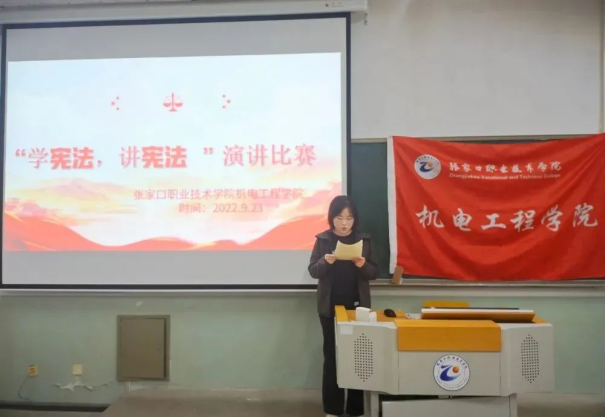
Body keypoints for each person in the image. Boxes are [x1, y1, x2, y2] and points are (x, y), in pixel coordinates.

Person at [308, 195, 378, 417]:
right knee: (332, 357)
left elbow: (374, 272)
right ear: (332, 218)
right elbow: (313, 271)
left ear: (354, 219)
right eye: (339, 218)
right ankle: (333, 409)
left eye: (349, 218)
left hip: (358, 307)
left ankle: (356, 409)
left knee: (358, 356)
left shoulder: (363, 240)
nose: (344, 223)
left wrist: (363, 265)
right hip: (329, 307)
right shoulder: (323, 240)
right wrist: (325, 261)